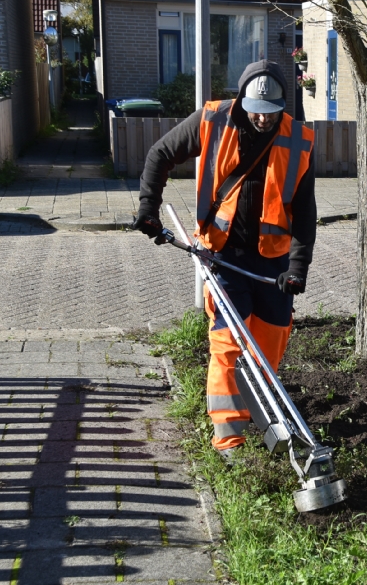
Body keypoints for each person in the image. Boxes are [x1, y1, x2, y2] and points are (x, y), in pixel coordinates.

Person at [132, 60, 316, 460]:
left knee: (270, 346)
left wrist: (298, 269)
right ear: (241, 97)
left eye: (272, 113)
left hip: (274, 263)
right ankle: (229, 441)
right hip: (223, 256)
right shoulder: (212, 120)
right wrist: (149, 206)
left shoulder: (300, 138)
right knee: (228, 345)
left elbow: (304, 212)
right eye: (255, 110)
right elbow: (160, 153)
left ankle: (262, 421)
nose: (263, 120)